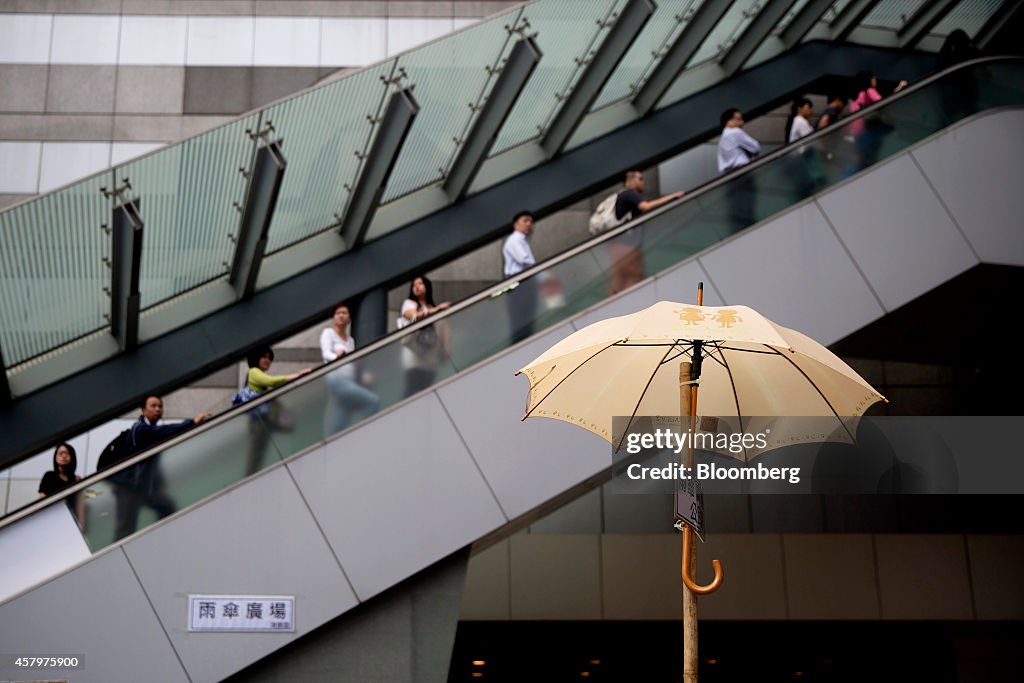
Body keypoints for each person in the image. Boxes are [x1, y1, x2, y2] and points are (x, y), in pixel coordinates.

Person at [112, 396, 213, 541]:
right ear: (143, 410)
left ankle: (159, 540)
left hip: (141, 486)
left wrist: (159, 485)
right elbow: (164, 431)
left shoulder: (147, 429)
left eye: (160, 406)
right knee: (125, 530)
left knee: (166, 507)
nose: (158, 409)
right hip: (128, 488)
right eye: (153, 406)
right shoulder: (141, 429)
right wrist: (192, 422)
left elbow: (151, 463)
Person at [609, 170, 685, 293]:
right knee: (633, 278)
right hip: (629, 247)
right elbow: (645, 206)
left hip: (619, 247)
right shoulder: (630, 193)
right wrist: (672, 196)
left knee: (619, 281)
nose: (643, 182)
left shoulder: (622, 196)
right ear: (631, 181)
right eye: (640, 179)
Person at [241, 345, 312, 474]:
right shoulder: (253, 372)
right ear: (256, 358)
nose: (267, 360)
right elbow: (272, 381)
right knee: (255, 457)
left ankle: (253, 477)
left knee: (258, 456)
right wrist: (297, 375)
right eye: (264, 357)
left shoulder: (257, 376)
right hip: (259, 423)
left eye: (269, 358)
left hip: (263, 422)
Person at [321, 302, 379, 434]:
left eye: (344, 313)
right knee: (372, 402)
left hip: (349, 382)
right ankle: (363, 436)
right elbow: (326, 353)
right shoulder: (328, 333)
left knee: (337, 427)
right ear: (334, 318)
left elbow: (351, 364)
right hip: (336, 380)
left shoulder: (350, 341)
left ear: (349, 319)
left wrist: (361, 377)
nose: (341, 316)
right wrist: (337, 356)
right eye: (338, 313)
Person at [398, 275, 451, 396]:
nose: (416, 287)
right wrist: (437, 310)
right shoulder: (409, 303)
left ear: (427, 286)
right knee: (411, 390)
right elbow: (413, 315)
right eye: (414, 285)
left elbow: (444, 329)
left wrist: (446, 349)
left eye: (420, 284)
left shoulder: (434, 309)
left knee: (425, 393)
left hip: (430, 357)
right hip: (413, 354)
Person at [717, 109, 761, 232]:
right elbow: (756, 146)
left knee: (736, 208)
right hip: (743, 172)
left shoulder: (723, 137)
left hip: (730, 176)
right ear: (729, 121)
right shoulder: (735, 132)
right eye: (738, 119)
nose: (741, 122)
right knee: (747, 206)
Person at [501, 211, 538, 343]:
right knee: (521, 316)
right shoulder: (515, 239)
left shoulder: (522, 240)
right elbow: (525, 259)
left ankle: (524, 338)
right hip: (519, 282)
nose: (529, 224)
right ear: (515, 224)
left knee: (525, 315)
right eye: (525, 221)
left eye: (531, 221)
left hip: (523, 281)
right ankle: (520, 340)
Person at [38, 442, 86, 530]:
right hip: (52, 520)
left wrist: (81, 526)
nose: (64, 456)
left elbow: (80, 506)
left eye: (67, 453)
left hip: (71, 522)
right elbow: (42, 498)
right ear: (55, 457)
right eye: (60, 453)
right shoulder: (49, 476)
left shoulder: (76, 480)